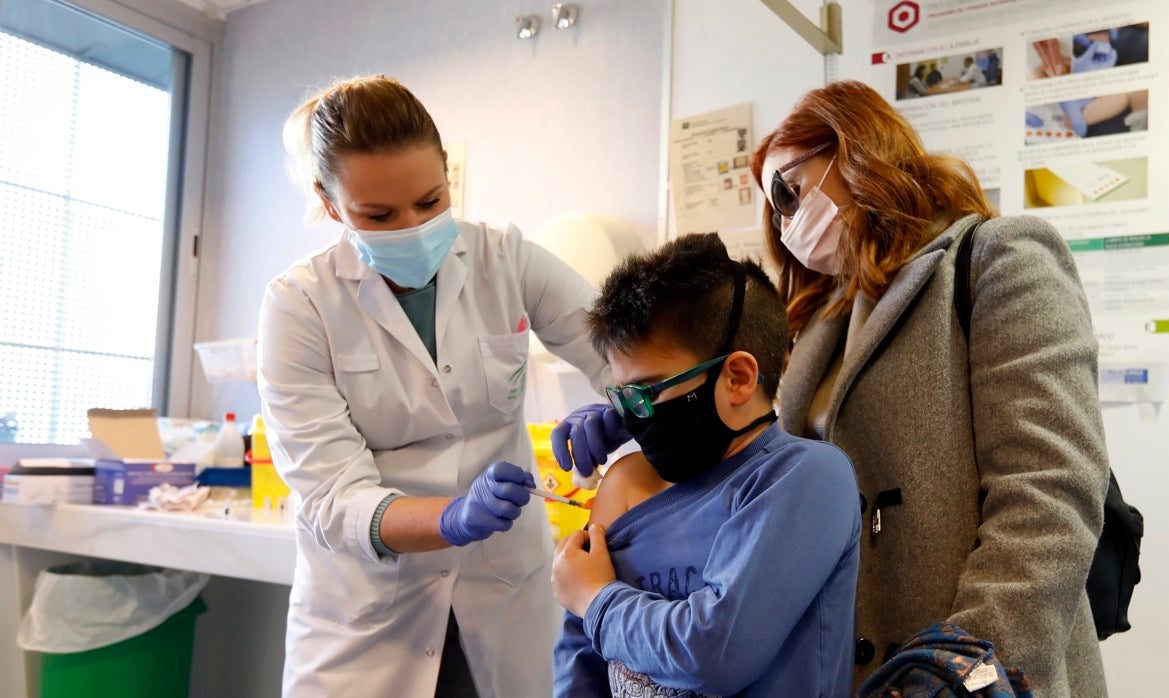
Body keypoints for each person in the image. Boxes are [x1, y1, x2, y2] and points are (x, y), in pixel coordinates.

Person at [748, 79, 1110, 696]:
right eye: (772, 207)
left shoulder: (997, 257)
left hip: (967, 670)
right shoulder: (819, 320)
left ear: (852, 148)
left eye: (788, 189)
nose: (785, 222)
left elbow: (1049, 494)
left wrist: (959, 674)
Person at [258, 74, 611, 697]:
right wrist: (449, 518)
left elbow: (620, 346)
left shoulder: (507, 260)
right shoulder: (300, 305)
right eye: (379, 214)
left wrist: (624, 407)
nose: (412, 227)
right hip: (368, 616)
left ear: (448, 173)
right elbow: (331, 496)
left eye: (429, 201)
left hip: (503, 590)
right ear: (330, 200)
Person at [549, 233, 860, 696]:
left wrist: (596, 599)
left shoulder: (806, 477)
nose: (634, 414)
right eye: (624, 396)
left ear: (737, 377)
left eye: (648, 392)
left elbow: (715, 652)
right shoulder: (627, 484)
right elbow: (580, 659)